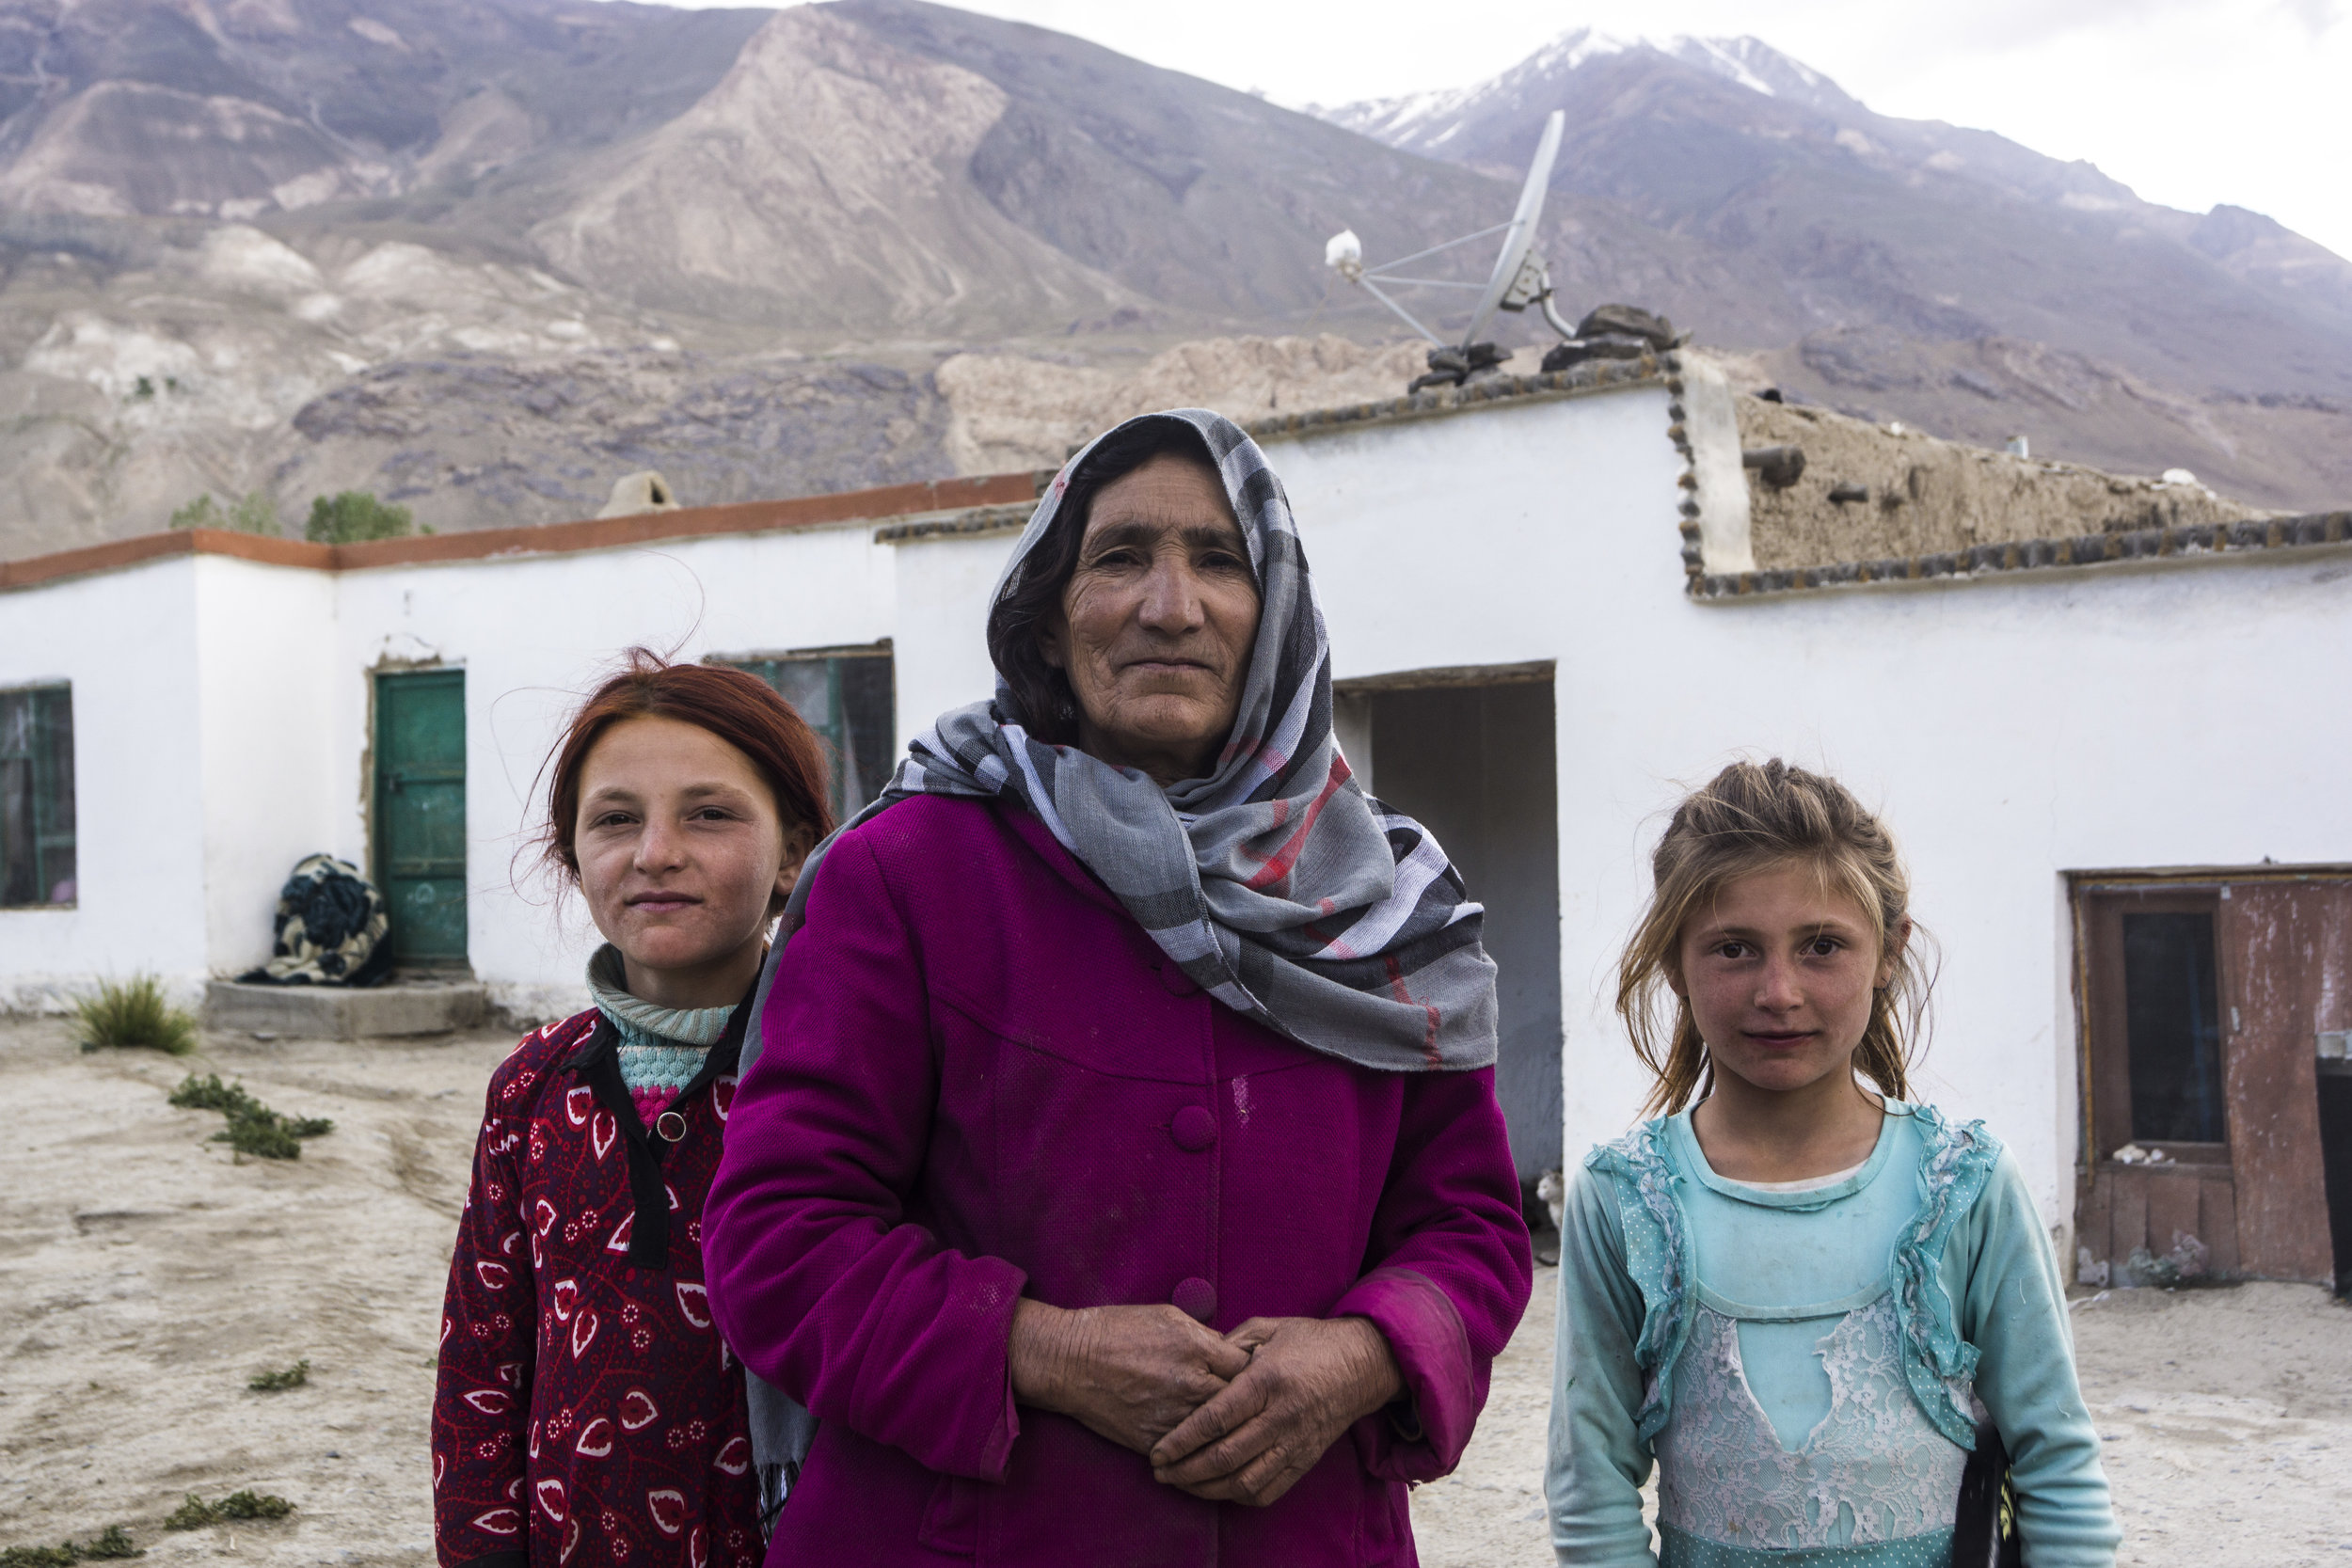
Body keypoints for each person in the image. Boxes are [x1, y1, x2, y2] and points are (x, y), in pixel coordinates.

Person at [703, 409, 1534, 1566]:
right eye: (1121, 555)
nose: (1170, 605)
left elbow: (1472, 1226)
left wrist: (1363, 1354)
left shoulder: (1387, 902)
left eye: (1218, 560)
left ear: (1277, 614)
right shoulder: (905, 874)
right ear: (1046, 617)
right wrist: (1044, 1350)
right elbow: (778, 1237)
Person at [1546, 760, 2120, 1568]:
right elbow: (1590, 1484)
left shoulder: (1962, 1187)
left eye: (1821, 945)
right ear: (1674, 961)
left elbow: (2057, 1462)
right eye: (1735, 948)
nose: (1778, 990)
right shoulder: (1627, 1201)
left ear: (1890, 950)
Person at [432, 653, 833, 1568]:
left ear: (797, 854)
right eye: (615, 818)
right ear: (573, 857)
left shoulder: (846, 1068)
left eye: (710, 812)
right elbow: (481, 1366)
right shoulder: (533, 1085)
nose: (656, 850)